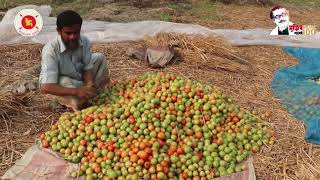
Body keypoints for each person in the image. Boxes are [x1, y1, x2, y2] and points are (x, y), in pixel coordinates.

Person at [39, 10, 110, 111]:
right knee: (65, 81)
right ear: (59, 31)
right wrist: (76, 91)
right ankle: (69, 101)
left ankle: (96, 93)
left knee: (99, 58)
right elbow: (45, 87)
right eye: (68, 33)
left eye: (76, 32)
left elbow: (87, 67)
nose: (72, 37)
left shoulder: (84, 41)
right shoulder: (50, 50)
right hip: (63, 85)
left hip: (77, 78)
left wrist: (89, 84)